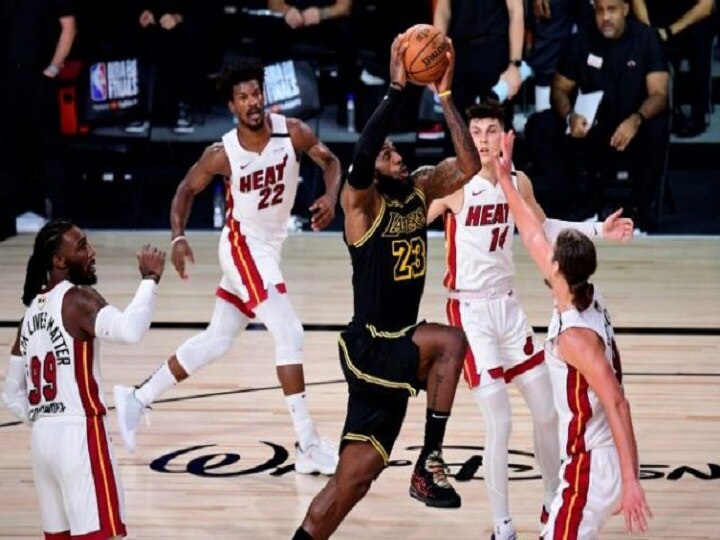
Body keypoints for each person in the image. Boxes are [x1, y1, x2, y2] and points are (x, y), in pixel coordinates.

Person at [291, 33, 481, 540]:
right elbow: (359, 162)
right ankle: (428, 463)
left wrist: (443, 95)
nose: (393, 155)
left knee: (352, 481)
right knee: (452, 342)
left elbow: (469, 166)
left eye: (396, 151)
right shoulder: (362, 206)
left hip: (396, 348)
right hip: (373, 344)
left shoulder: (419, 189)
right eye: (386, 154)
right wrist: (396, 92)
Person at [113, 60, 342, 475]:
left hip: (268, 248)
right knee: (289, 332)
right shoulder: (222, 153)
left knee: (217, 341)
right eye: (243, 97)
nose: (252, 102)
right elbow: (185, 190)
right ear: (232, 106)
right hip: (242, 246)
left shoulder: (291, 131)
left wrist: (330, 197)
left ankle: (137, 397)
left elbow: (331, 163)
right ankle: (307, 444)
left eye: (256, 93)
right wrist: (178, 236)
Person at [427, 100, 634, 540]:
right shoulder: (453, 181)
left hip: (509, 307)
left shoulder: (517, 181)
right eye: (476, 130)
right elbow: (407, 222)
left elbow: (543, 228)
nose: (482, 139)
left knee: (546, 412)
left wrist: (598, 230)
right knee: (499, 420)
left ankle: (551, 504)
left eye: (490, 131)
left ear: (506, 137)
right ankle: (502, 526)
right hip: (470, 312)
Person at [493, 130, 652, 538]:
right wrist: (506, 175)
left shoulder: (576, 338)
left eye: (553, 252)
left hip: (592, 463)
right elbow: (530, 232)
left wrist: (632, 481)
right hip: (582, 460)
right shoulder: (581, 291)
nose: (545, 251)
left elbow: (617, 402)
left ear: (558, 269)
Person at [1, 220, 166, 539]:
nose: (91, 252)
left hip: (42, 443)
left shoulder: (29, 315)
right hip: (80, 436)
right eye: (81, 247)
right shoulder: (78, 299)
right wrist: (150, 279)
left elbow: (10, 394)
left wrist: (45, 419)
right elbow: (130, 330)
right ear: (58, 260)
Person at [526, 0, 669, 230]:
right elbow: (559, 89)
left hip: (631, 130)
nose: (605, 17)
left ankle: (638, 210)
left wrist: (636, 119)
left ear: (625, 9)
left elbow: (660, 95)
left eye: (611, 10)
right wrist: (570, 115)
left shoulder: (646, 39)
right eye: (600, 10)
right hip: (592, 131)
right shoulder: (582, 40)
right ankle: (572, 205)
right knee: (539, 125)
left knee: (658, 127)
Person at [0, 0, 77, 240]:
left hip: (39, 75)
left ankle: (62, 225)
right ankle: (4, 222)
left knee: (50, 150)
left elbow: (69, 26)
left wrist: (53, 68)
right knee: (5, 150)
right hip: (7, 76)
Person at [434, 0, 525, 133]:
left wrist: (515, 65)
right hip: (458, 52)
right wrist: (437, 60)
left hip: (494, 49)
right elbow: (443, 12)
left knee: (495, 124)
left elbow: (516, 11)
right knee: (456, 125)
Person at [632, 0, 715, 137]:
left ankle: (700, 111)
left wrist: (671, 31)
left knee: (701, 32)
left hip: (690, 21)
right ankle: (668, 107)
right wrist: (650, 32)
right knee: (640, 32)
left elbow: (706, 6)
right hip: (658, 19)